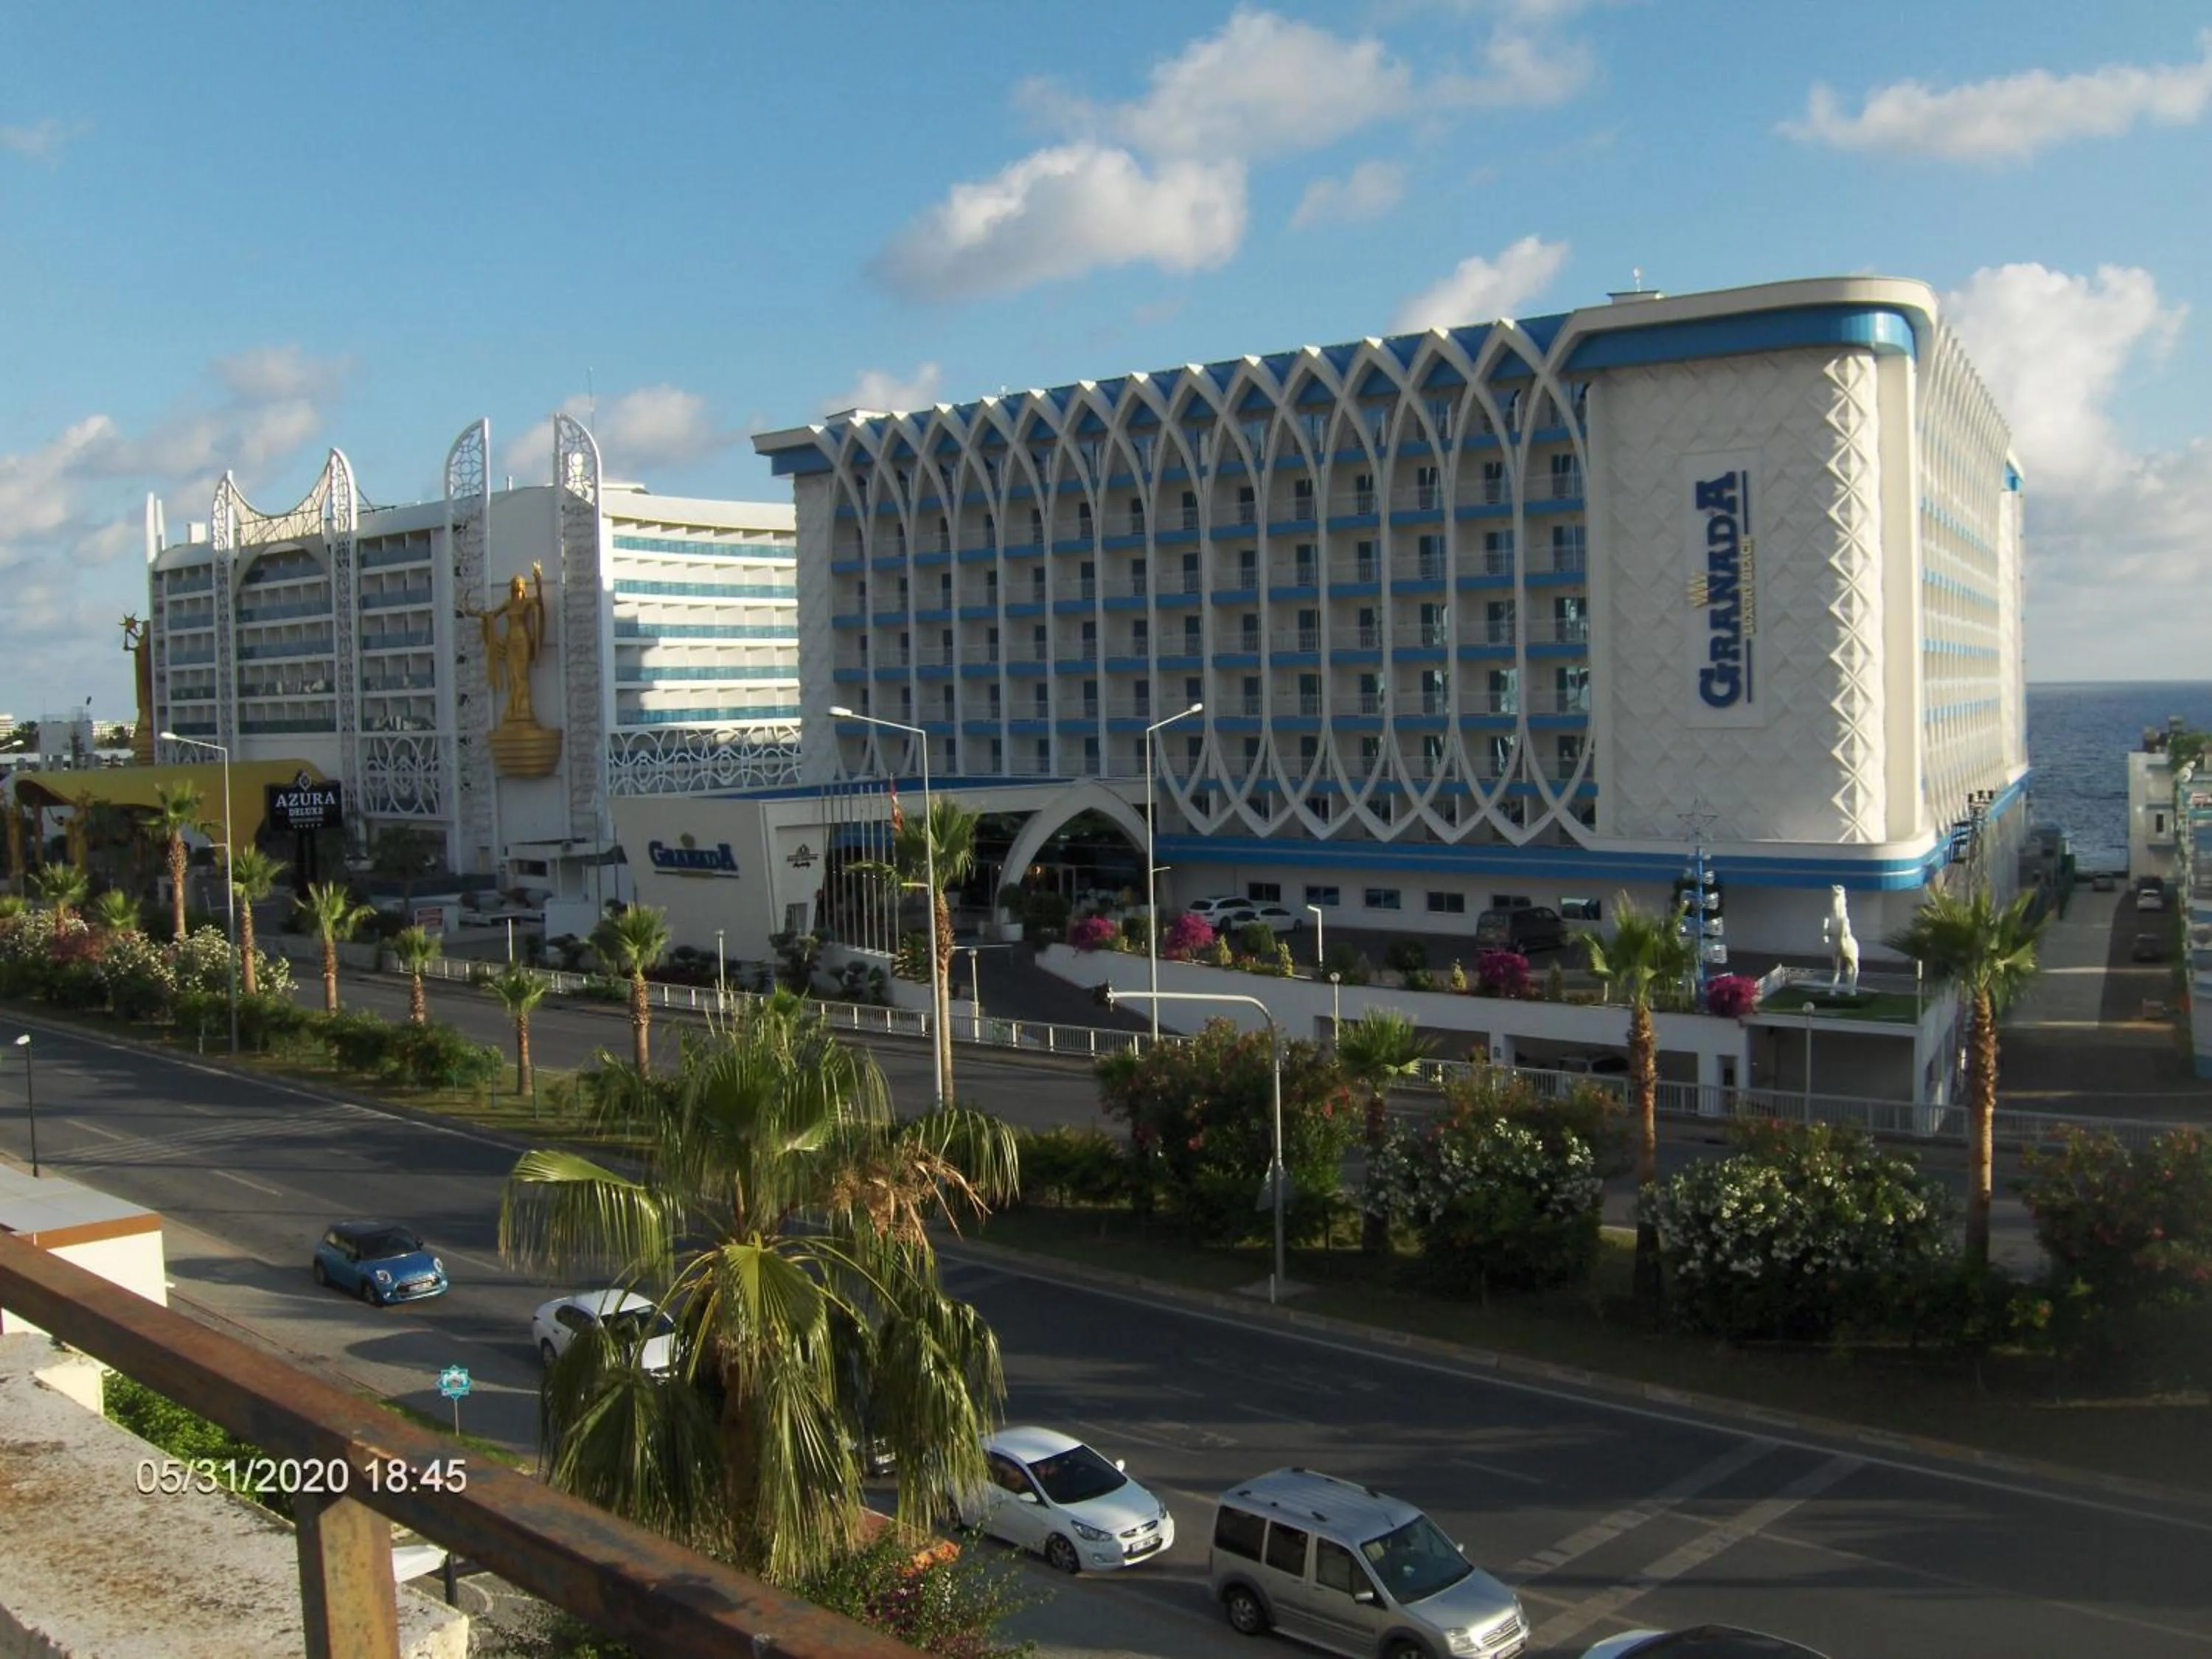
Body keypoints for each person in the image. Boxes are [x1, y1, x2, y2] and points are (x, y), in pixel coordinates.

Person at [476, 565, 547, 726]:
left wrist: (538, 582)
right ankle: (513, 708)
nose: (516, 585)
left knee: (522, 675)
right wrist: (476, 614)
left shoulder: (527, 602)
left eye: (518, 583)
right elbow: (492, 615)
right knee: (512, 676)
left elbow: (540, 602)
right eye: (514, 583)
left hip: (522, 640)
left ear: (522, 586)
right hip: (510, 641)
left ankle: (524, 709)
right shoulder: (508, 603)